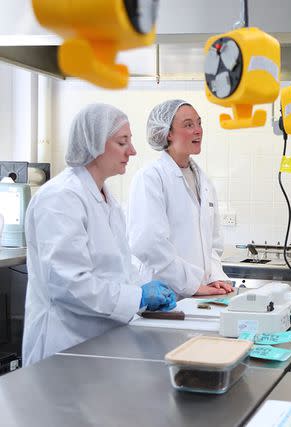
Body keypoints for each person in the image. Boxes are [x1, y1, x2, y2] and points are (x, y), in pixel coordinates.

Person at [22, 103, 177, 366]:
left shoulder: (105, 198)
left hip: (99, 341)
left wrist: (140, 289)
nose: (132, 151)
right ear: (94, 143)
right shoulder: (61, 197)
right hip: (64, 346)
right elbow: (68, 285)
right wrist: (137, 296)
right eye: (122, 142)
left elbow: (116, 268)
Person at [128, 100, 233, 298]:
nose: (198, 130)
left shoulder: (204, 182)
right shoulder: (151, 178)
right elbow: (148, 243)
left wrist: (214, 277)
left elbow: (212, 243)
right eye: (188, 125)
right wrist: (191, 284)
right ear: (168, 133)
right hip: (164, 296)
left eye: (199, 123)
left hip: (199, 294)